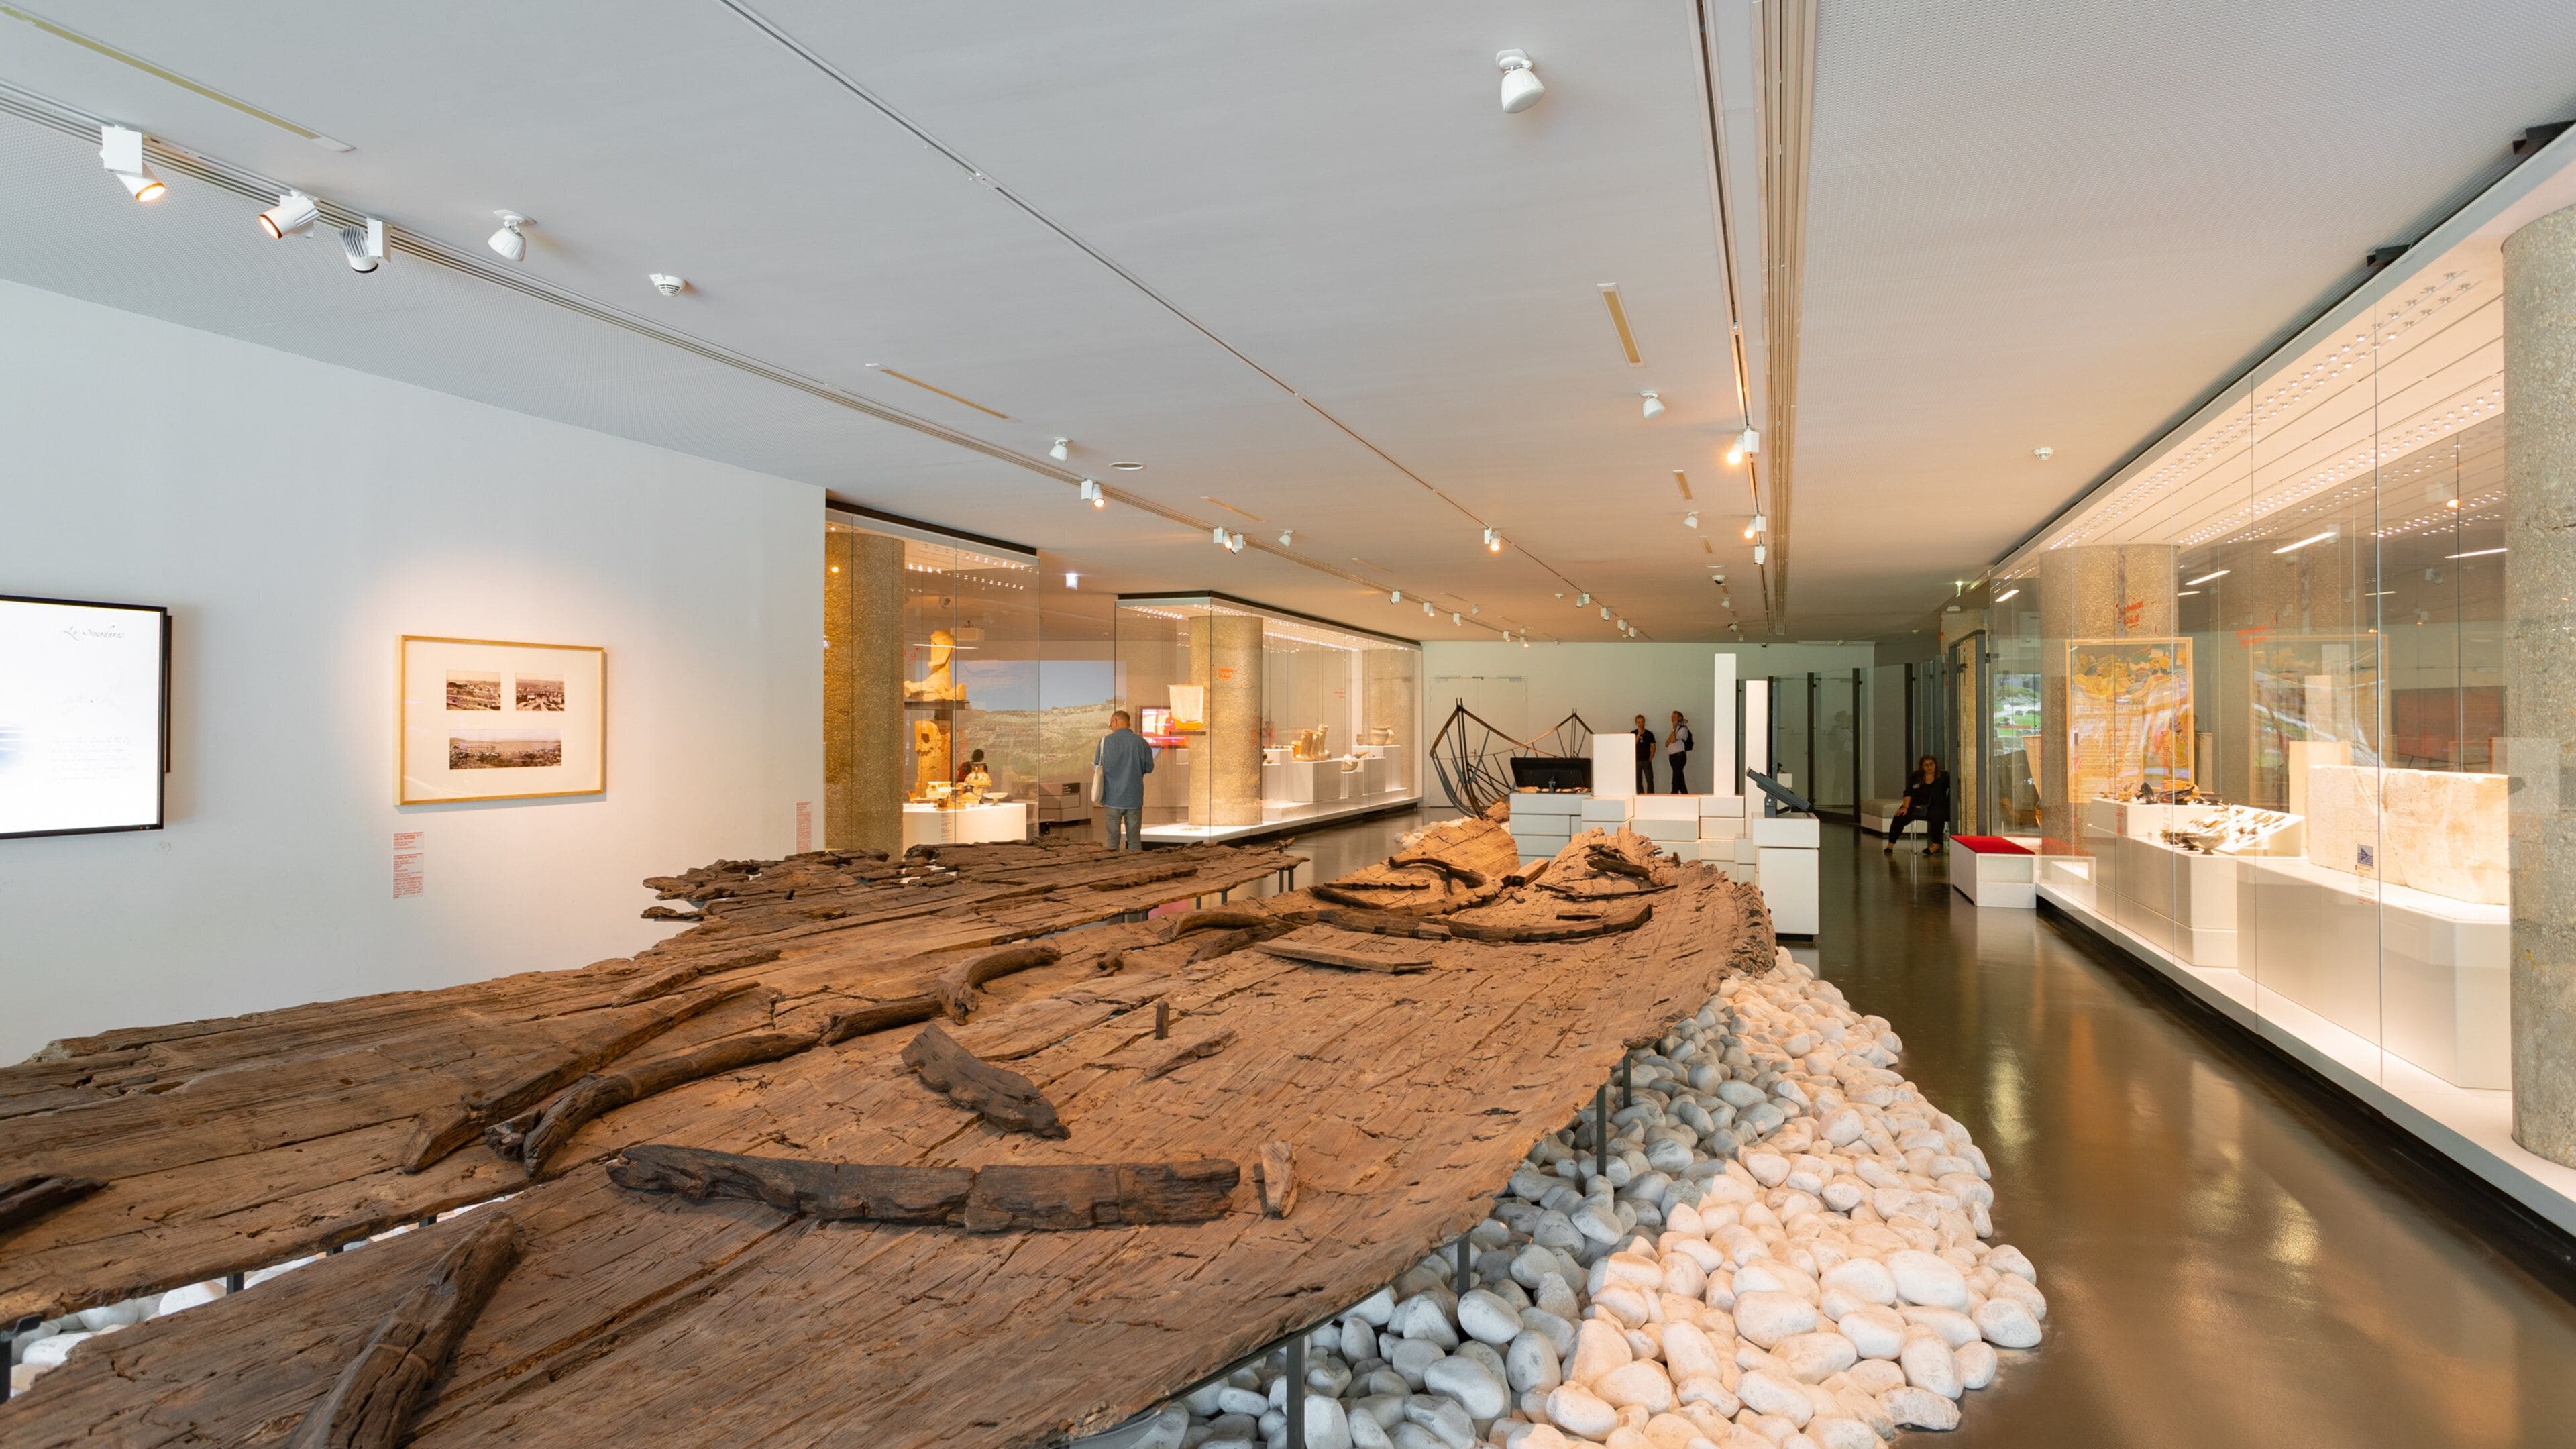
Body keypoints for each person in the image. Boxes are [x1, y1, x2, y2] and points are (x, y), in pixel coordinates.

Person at [1093, 710, 1156, 851]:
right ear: (1129, 724)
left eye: (1111, 724)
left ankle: (1113, 869)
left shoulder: (1105, 742)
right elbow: (1149, 768)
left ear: (1115, 721)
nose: (1112, 727)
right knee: (1134, 841)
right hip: (1134, 798)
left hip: (1112, 799)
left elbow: (1097, 767)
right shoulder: (1141, 742)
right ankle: (1135, 869)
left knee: (1112, 840)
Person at [1887, 754, 1952, 857]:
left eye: (1931, 764)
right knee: (1900, 816)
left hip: (1936, 806)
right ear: (1922, 767)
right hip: (1916, 805)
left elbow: (1955, 789)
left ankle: (1936, 845)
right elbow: (1908, 792)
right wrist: (1905, 807)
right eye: (1926, 765)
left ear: (1936, 765)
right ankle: (1890, 844)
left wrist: (1948, 804)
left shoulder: (1945, 776)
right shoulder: (1915, 776)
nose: (1929, 767)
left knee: (1938, 815)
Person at [1666, 711, 1695, 793]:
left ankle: (1673, 794)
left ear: (1680, 718)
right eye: (1672, 717)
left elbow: (1673, 740)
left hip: (1679, 757)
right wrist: (1673, 729)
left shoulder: (1683, 729)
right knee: (1680, 778)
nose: (1672, 718)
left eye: (1674, 717)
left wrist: (1674, 728)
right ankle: (1685, 794)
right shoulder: (1674, 730)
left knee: (1676, 777)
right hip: (1672, 757)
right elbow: (1667, 743)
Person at [1631, 715, 1656, 795]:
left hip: (1647, 760)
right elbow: (1632, 745)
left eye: (1642, 722)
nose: (1640, 724)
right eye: (1639, 722)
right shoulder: (1633, 733)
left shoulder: (1649, 734)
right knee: (1638, 780)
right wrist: (1639, 734)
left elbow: (1653, 747)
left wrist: (1651, 758)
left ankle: (1650, 796)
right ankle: (1640, 796)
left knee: (1650, 780)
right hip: (1636, 761)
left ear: (1644, 723)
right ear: (1636, 723)